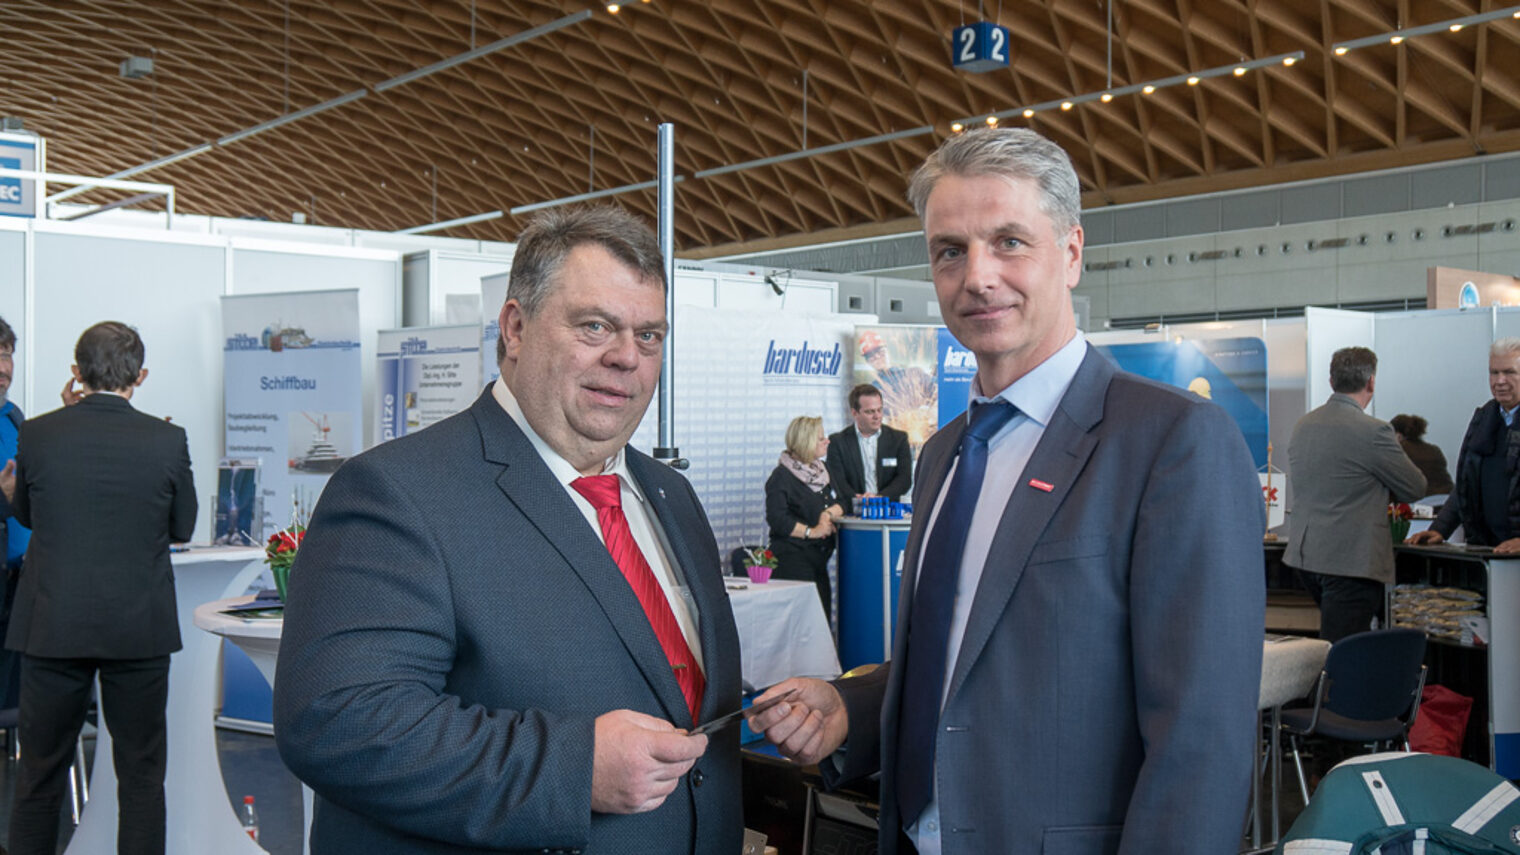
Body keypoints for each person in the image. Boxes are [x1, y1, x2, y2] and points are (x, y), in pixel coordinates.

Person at [753, 127, 1266, 855]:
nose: (978, 276)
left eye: (1010, 242)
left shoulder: (1171, 441)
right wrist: (850, 705)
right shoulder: (942, 455)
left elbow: (1201, 741)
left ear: (1073, 253)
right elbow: (967, 657)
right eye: (950, 251)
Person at [274, 205, 742, 854]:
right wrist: (573, 768)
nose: (626, 357)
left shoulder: (672, 496)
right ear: (516, 328)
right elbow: (338, 720)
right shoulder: (398, 492)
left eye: (650, 335)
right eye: (595, 325)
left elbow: (657, 679)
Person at [5, 322, 196, 855]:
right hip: (139, 628)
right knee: (140, 778)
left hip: (52, 625)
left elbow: (27, 514)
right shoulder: (167, 439)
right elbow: (183, 526)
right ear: (141, 375)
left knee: (39, 776)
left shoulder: (39, 433)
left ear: (76, 373)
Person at [1284, 347, 1427, 642]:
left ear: (1331, 380)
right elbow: (1415, 487)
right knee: (1345, 653)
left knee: (1333, 645)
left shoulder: (1303, 425)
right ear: (1371, 382)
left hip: (1306, 556)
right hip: (1351, 561)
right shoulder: (1374, 431)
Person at [1411, 338, 1520, 554]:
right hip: (1488, 551)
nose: (1500, 381)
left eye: (1509, 372)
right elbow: (1465, 484)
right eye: (1493, 372)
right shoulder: (1483, 418)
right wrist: (1440, 528)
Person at [765, 415, 845, 613]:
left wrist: (827, 514)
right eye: (821, 438)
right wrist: (813, 531)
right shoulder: (781, 477)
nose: (827, 441)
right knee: (804, 623)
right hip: (793, 560)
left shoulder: (822, 470)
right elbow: (778, 520)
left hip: (819, 560)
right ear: (805, 441)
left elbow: (844, 500)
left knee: (822, 621)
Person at [825, 384, 913, 513]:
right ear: (855, 413)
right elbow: (838, 481)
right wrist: (859, 501)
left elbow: (904, 479)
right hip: (851, 515)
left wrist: (878, 499)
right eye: (870, 412)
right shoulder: (838, 442)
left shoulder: (898, 439)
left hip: (890, 513)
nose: (877, 416)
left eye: (879, 410)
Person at [1390, 413, 1454, 496]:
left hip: (1421, 502)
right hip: (1447, 498)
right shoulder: (1434, 449)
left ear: (1398, 436)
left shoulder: (1399, 450)